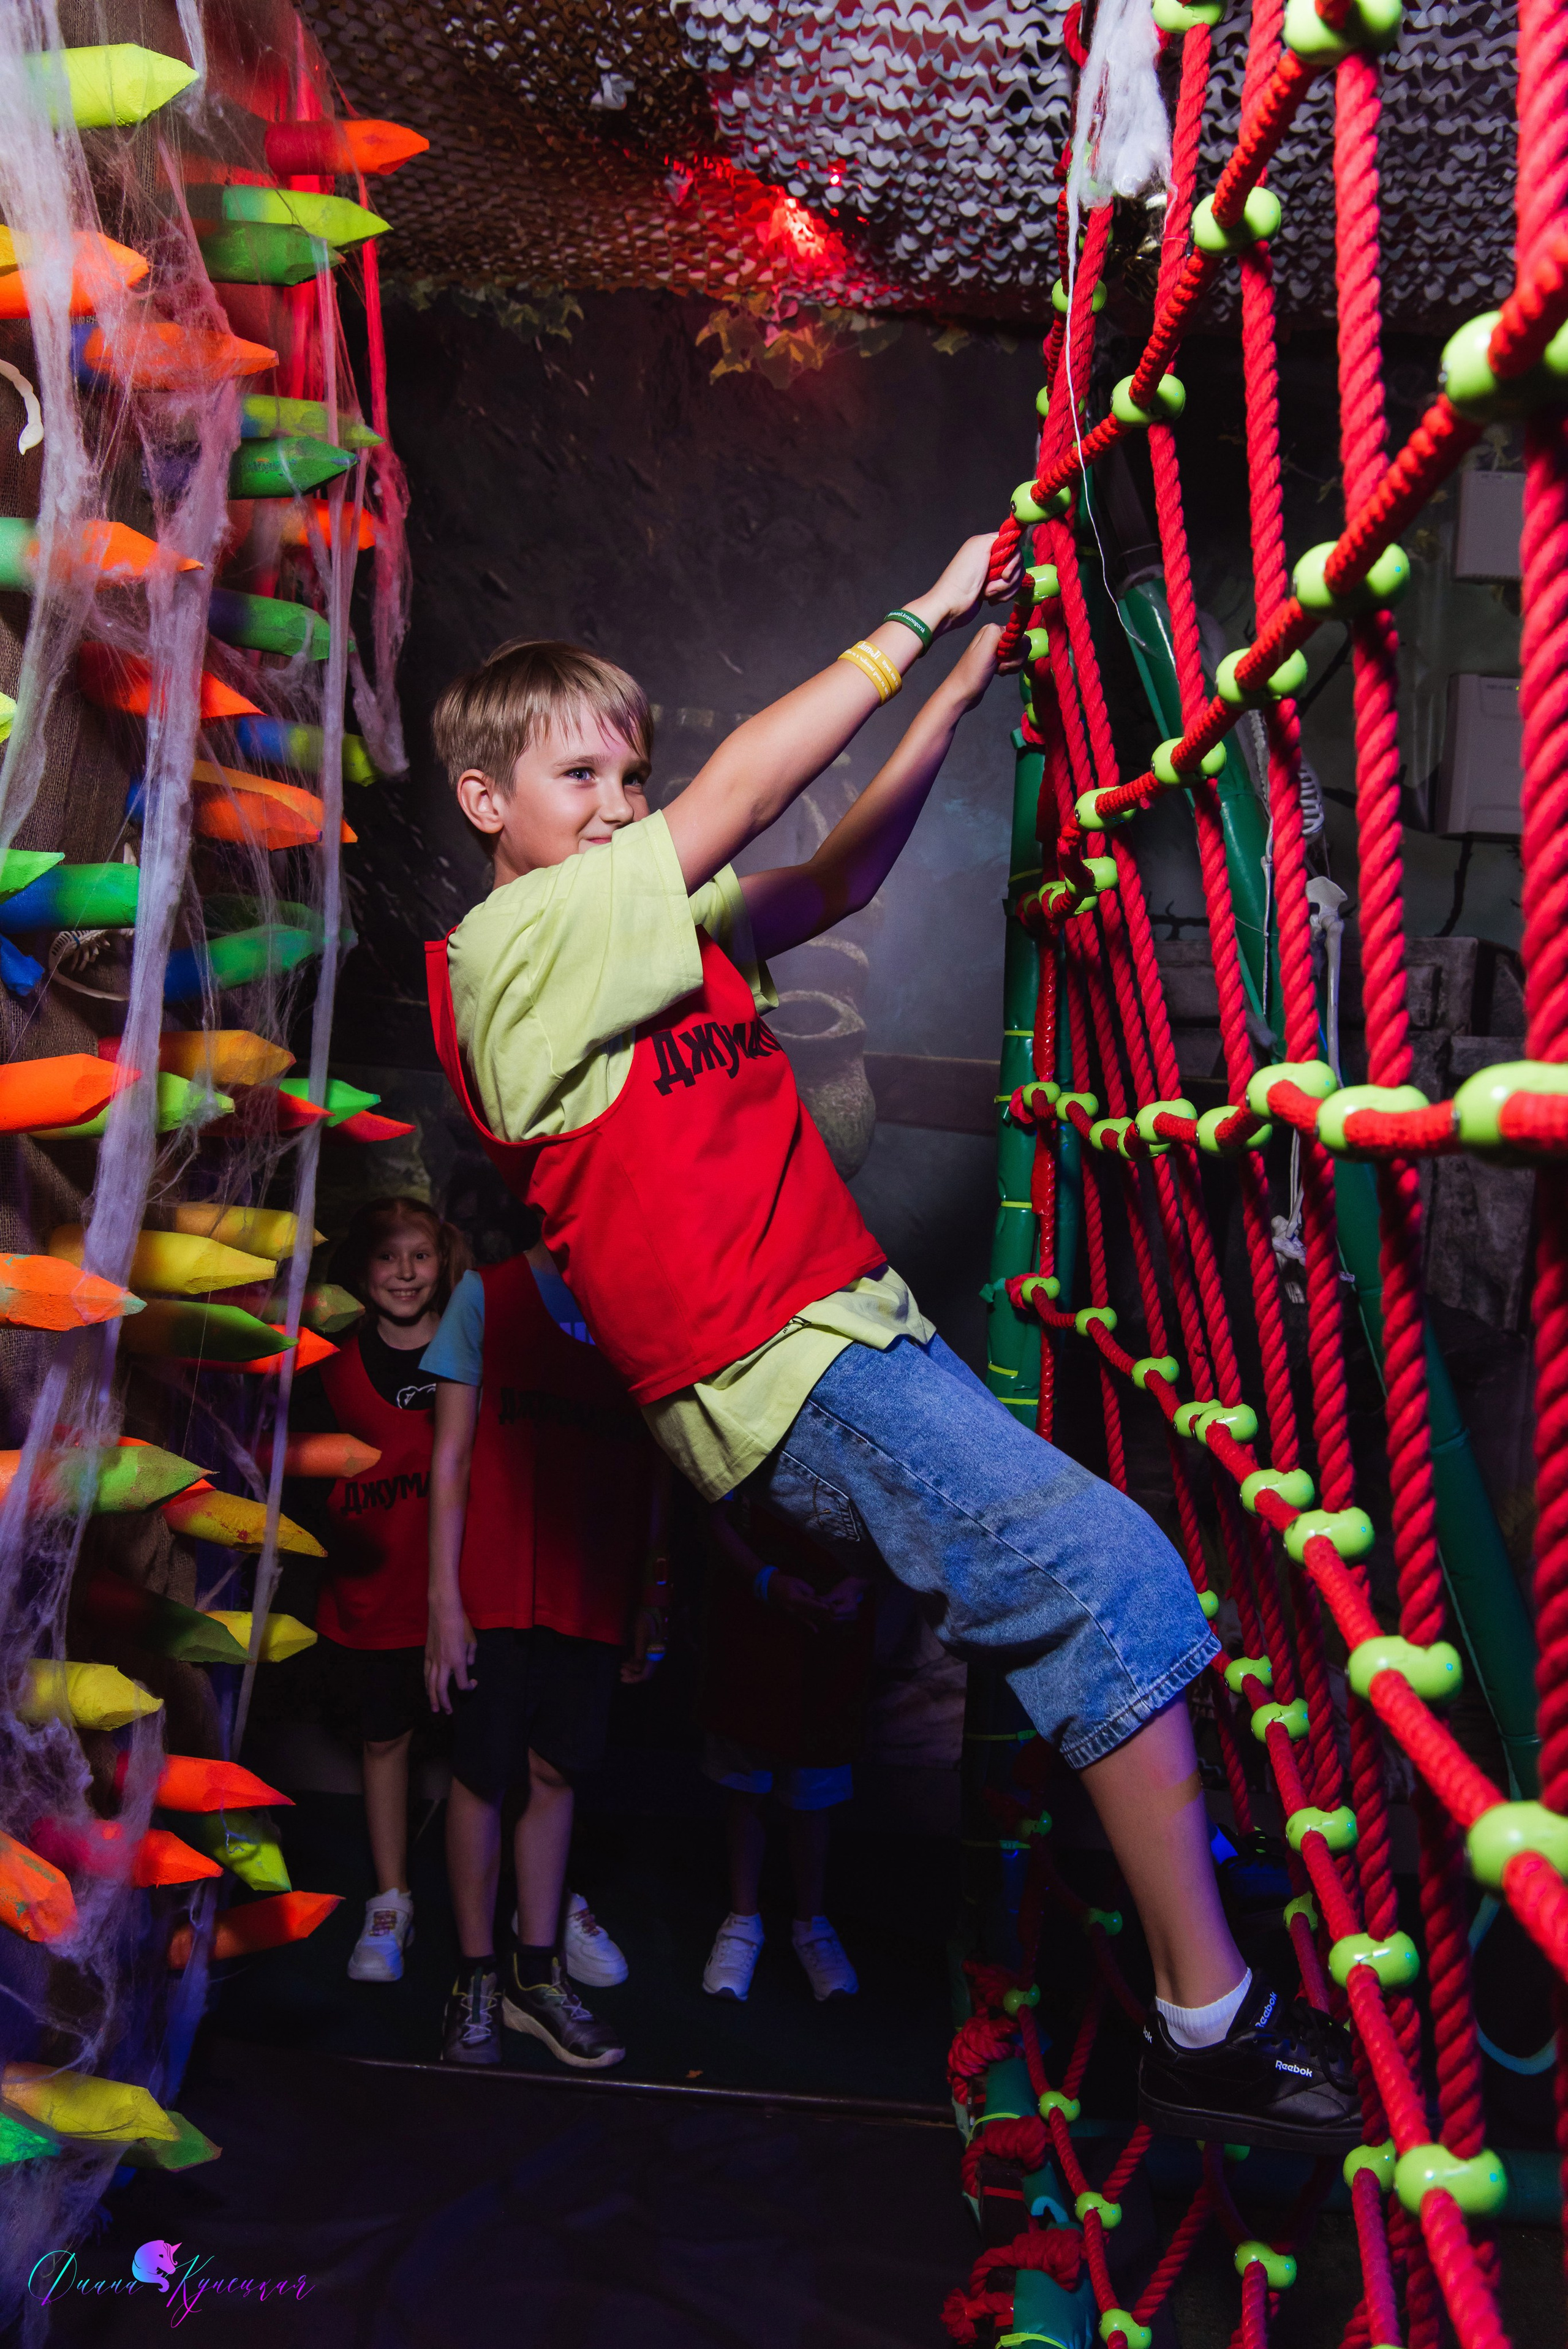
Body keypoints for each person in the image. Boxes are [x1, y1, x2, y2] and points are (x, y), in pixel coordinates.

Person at [420, 539, 1361, 2152]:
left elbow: (833, 875)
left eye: (631, 772)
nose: (626, 802)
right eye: (581, 773)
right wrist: (925, 612)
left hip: (854, 1342)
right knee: (1110, 1572)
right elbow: (736, 797)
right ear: (485, 802)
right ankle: (1207, 2023)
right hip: (777, 1373)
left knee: (1075, 1594)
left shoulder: (665, 934)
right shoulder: (506, 961)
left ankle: (1202, 1945)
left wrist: (959, 693)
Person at [424, 1234, 665, 2070]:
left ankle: (537, 1975)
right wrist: (444, 1602)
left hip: (590, 1584)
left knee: (557, 1769)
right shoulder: (484, 1294)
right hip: (491, 1583)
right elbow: (449, 1457)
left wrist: (646, 1594)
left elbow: (654, 1466)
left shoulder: (632, 1302)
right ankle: (474, 1979)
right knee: (482, 1773)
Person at [289, 1194, 470, 1985]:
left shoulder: (475, 1354)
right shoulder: (331, 1364)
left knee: (489, 1750)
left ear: (443, 1264)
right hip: (372, 1593)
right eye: (388, 1257)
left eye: (420, 1256)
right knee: (384, 1740)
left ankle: (533, 1898)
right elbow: (297, 1476)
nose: (404, 1272)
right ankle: (391, 1897)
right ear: (362, 1269)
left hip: (468, 1596)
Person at [699, 1498, 873, 2004]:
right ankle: (743, 1919)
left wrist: (859, 1585)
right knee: (746, 1780)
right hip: (752, 1607)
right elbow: (711, 1508)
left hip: (838, 1612)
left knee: (814, 1788)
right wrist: (763, 1579)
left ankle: (811, 1924)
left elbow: (896, 1511)